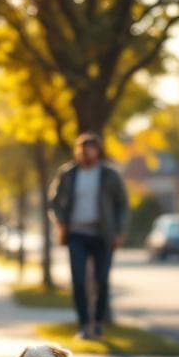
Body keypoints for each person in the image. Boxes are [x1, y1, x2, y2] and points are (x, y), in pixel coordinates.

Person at [49, 132, 128, 340]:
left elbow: (122, 204)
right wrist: (61, 221)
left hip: (103, 235)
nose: (86, 153)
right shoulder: (68, 174)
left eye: (90, 149)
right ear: (78, 151)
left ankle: (98, 323)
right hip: (76, 234)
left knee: (102, 280)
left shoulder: (110, 175)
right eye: (82, 149)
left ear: (97, 150)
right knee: (79, 280)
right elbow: (55, 202)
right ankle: (84, 325)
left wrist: (119, 231)